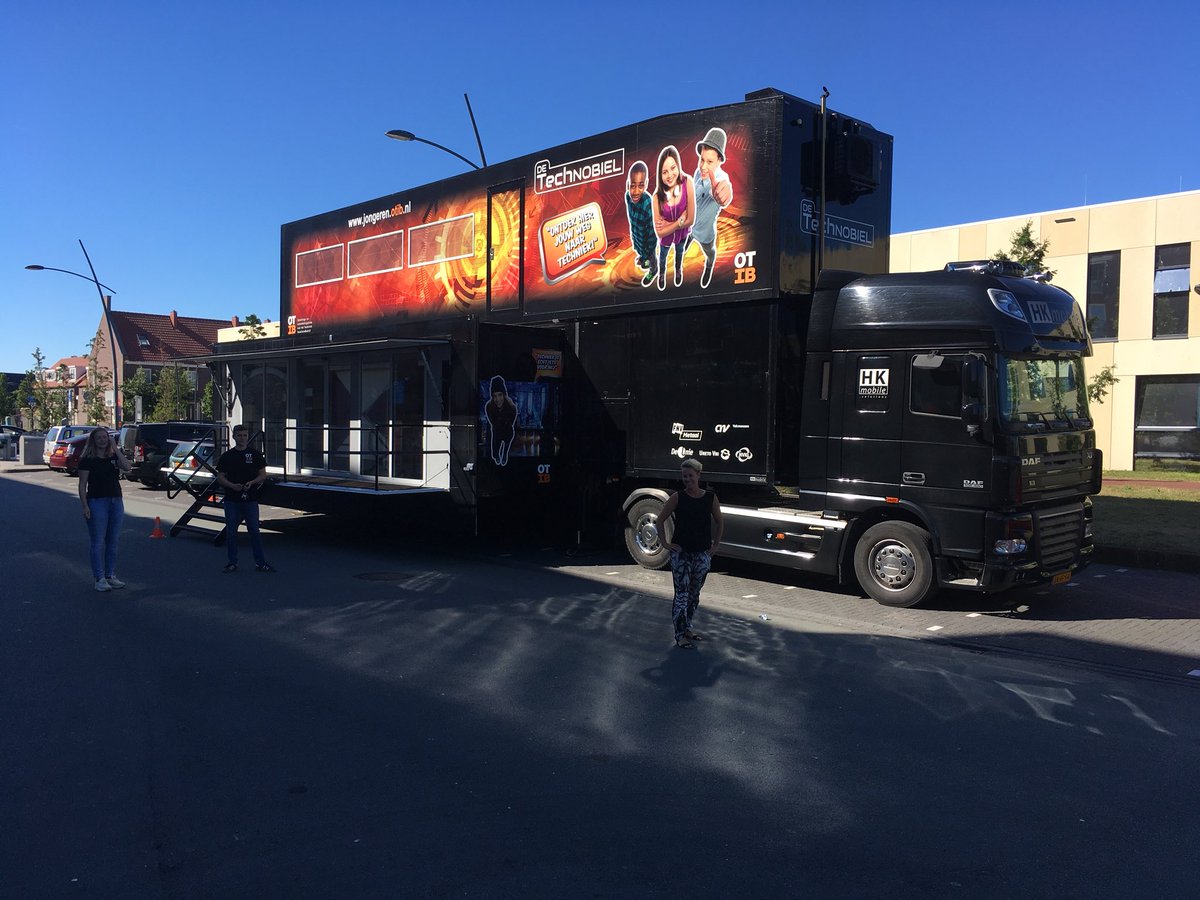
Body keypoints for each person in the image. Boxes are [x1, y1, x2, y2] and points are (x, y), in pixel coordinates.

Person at [659, 457, 723, 648]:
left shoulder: (710, 497)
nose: (687, 480)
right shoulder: (678, 497)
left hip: (701, 553)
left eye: (690, 476)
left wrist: (716, 545)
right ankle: (679, 635)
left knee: (694, 594)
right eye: (684, 476)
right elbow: (660, 519)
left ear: (698, 475)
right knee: (682, 594)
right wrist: (665, 543)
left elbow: (720, 522)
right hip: (681, 554)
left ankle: (687, 627)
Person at [77, 427, 132, 592]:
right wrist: (85, 506)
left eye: (105, 437)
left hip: (116, 500)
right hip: (97, 501)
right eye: (99, 438)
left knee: (113, 541)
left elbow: (127, 467)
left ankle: (110, 575)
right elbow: (82, 485)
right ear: (93, 440)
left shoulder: (113, 457)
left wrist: (116, 449)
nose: (102, 440)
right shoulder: (87, 459)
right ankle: (99, 578)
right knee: (98, 542)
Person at [215, 424, 275, 573]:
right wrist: (231, 485)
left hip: (250, 499)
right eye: (239, 436)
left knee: (254, 530)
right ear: (234, 437)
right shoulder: (227, 456)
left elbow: (263, 474)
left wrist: (252, 482)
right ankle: (232, 562)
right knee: (231, 531)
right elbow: (220, 477)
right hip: (232, 499)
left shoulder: (255, 454)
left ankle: (260, 563)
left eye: (245, 436)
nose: (242, 438)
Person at [690, 127, 733, 289]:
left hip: (705, 233)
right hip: (689, 226)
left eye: (709, 162)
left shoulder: (721, 179)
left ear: (719, 160)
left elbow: (724, 192)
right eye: (702, 159)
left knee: (710, 252)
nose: (703, 166)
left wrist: (723, 195)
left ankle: (709, 264)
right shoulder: (697, 173)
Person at [652, 145, 695, 291]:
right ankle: (662, 275)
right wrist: (679, 222)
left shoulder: (687, 182)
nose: (670, 175)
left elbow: (691, 220)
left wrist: (669, 225)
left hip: (682, 236)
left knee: (679, 253)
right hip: (665, 240)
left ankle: (678, 271)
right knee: (662, 258)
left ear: (678, 166)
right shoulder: (657, 197)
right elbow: (660, 233)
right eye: (664, 172)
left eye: (673, 168)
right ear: (660, 175)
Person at [624, 161, 658, 287]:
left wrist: (649, 251)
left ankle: (653, 270)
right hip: (637, 237)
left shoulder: (647, 203)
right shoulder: (628, 197)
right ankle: (644, 259)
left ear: (646, 184)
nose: (636, 191)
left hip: (648, 243)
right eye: (632, 186)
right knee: (641, 253)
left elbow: (651, 232)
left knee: (651, 259)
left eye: (641, 186)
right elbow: (631, 218)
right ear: (628, 185)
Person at [484, 375, 517, 466]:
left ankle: (504, 456)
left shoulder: (511, 406)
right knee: (495, 451)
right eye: (494, 396)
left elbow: (513, 418)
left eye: (500, 395)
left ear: (504, 395)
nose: (497, 399)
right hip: (497, 431)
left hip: (508, 430)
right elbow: (492, 422)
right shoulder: (489, 407)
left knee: (505, 447)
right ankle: (497, 457)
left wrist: (506, 423)